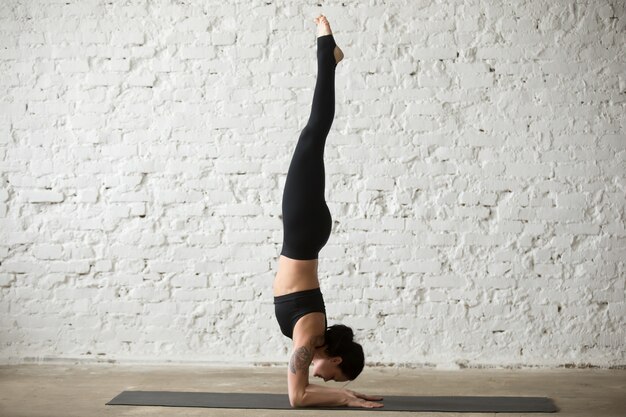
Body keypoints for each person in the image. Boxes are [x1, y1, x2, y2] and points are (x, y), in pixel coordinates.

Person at [273, 15, 384, 409]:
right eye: (333, 376)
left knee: (313, 135)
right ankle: (327, 55)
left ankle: (329, 57)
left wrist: (346, 394)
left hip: (307, 232)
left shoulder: (313, 335)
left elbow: (299, 394)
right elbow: (298, 398)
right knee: (313, 133)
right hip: (302, 231)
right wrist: (347, 401)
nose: (324, 377)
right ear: (334, 358)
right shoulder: (308, 335)